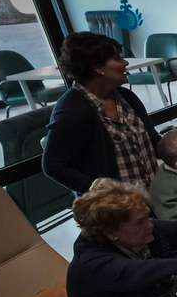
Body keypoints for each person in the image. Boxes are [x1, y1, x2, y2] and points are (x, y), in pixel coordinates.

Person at [42, 31, 161, 193]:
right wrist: (104, 194)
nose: (125, 63)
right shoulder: (72, 110)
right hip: (121, 211)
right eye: (117, 58)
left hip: (152, 198)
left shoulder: (127, 97)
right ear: (97, 68)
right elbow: (53, 166)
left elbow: (152, 139)